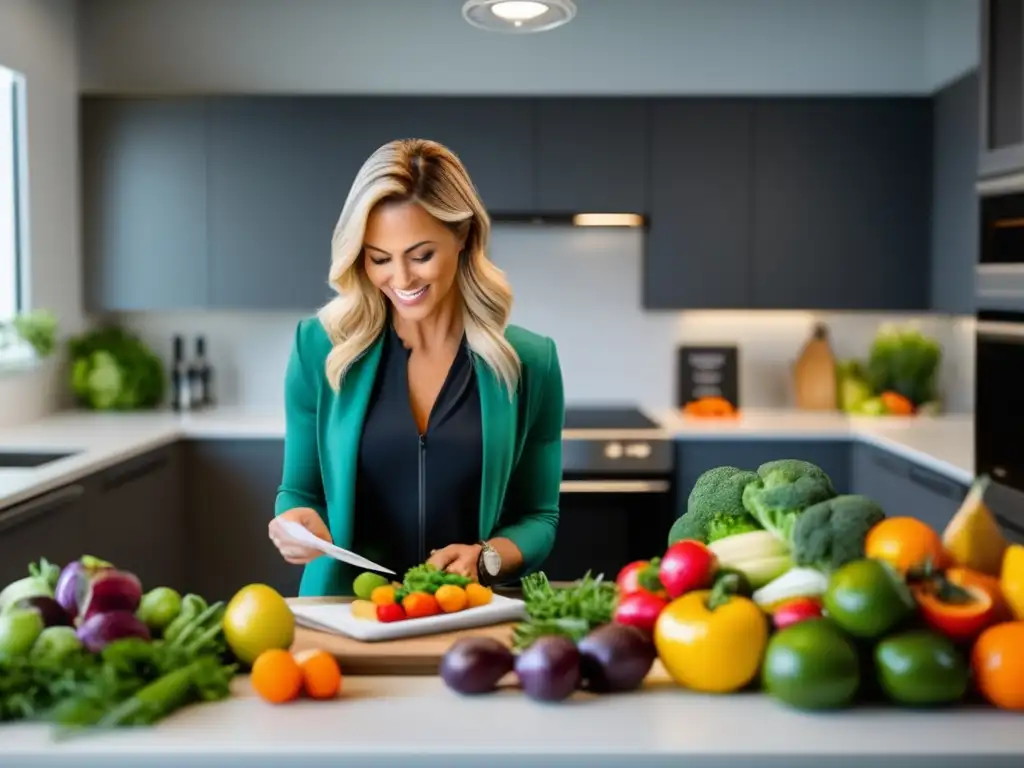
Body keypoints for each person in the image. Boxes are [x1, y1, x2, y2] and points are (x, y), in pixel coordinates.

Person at [267, 138, 565, 598]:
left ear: (463, 234)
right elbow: (299, 492)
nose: (401, 280)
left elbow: (539, 517)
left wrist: (487, 557)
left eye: (421, 255)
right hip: (347, 612)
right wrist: (294, 523)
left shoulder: (529, 362)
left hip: (467, 612)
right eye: (379, 258)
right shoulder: (319, 348)